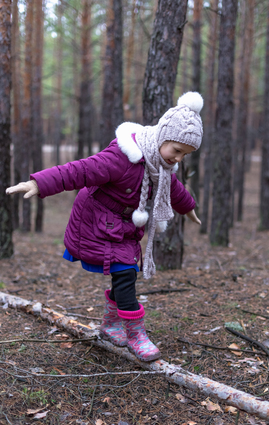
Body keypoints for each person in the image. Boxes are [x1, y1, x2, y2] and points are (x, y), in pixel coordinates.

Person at [6, 91, 203, 362]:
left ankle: (111, 326)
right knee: (125, 274)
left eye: (185, 154)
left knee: (125, 273)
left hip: (124, 227)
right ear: (162, 136)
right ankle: (135, 335)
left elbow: (174, 190)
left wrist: (188, 207)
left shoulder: (161, 167)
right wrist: (39, 183)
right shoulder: (122, 158)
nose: (178, 158)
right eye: (177, 150)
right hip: (97, 220)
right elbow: (79, 171)